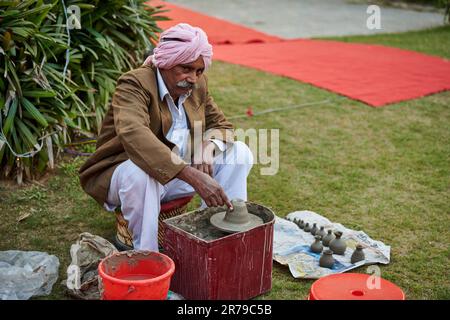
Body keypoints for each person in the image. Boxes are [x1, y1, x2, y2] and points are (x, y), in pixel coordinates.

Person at [79, 23, 253, 251]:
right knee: (141, 172)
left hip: (172, 174)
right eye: (186, 68)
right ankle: (147, 255)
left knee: (238, 152)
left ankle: (220, 235)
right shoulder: (134, 83)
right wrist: (190, 175)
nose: (193, 78)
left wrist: (207, 146)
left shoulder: (197, 85)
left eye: (199, 71)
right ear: (166, 62)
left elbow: (222, 125)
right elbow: (134, 132)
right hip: (124, 176)